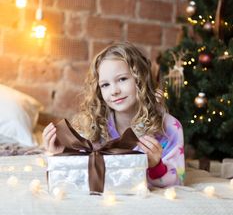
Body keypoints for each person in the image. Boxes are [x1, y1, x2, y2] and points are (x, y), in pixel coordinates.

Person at [43, 42, 185, 188]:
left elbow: (178, 180)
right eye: (105, 85)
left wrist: (156, 166)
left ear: (140, 79)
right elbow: (78, 175)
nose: (114, 91)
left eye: (122, 79)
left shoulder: (168, 127)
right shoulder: (93, 126)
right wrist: (62, 153)